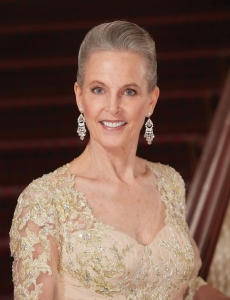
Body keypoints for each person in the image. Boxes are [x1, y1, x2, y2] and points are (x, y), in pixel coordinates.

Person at [9, 21, 229, 300]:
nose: (112, 107)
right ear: (79, 97)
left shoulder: (169, 182)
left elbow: (187, 285)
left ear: (151, 101)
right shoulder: (44, 202)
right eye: (98, 89)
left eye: (129, 91)